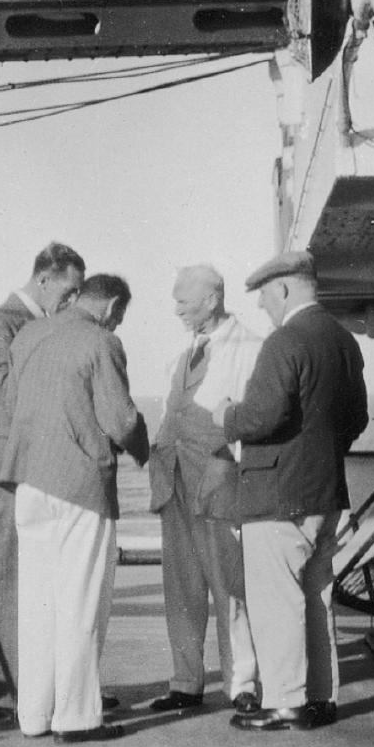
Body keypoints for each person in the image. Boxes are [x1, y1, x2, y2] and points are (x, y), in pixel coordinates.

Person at [212, 250, 368, 732]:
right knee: (317, 597)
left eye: (264, 296)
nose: (263, 306)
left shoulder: (285, 341)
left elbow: (262, 417)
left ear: (283, 289)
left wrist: (226, 415)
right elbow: (356, 419)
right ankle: (320, 698)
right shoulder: (344, 341)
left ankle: (284, 701)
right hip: (325, 494)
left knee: (276, 601)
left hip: (276, 497)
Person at [0, 274, 150, 743]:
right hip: (80, 486)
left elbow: (10, 401)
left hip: (29, 482)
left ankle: (34, 715)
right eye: (120, 315)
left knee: (37, 605)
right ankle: (78, 717)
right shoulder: (102, 341)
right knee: (80, 603)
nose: (119, 323)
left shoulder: (27, 335)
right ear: (110, 308)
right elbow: (120, 418)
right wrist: (148, 452)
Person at [0, 242, 85, 720]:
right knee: (7, 575)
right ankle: (10, 688)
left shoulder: (42, 325)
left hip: (39, 466)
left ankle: (43, 683)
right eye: (70, 290)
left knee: (44, 577)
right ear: (44, 280)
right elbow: (4, 397)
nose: (74, 301)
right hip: (5, 469)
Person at [147, 265, 262, 714]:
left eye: (183, 301)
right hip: (174, 482)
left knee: (229, 584)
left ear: (212, 300)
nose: (176, 309)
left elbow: (251, 417)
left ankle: (242, 682)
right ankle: (186, 682)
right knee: (181, 587)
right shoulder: (181, 353)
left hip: (218, 481)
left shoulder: (250, 347)